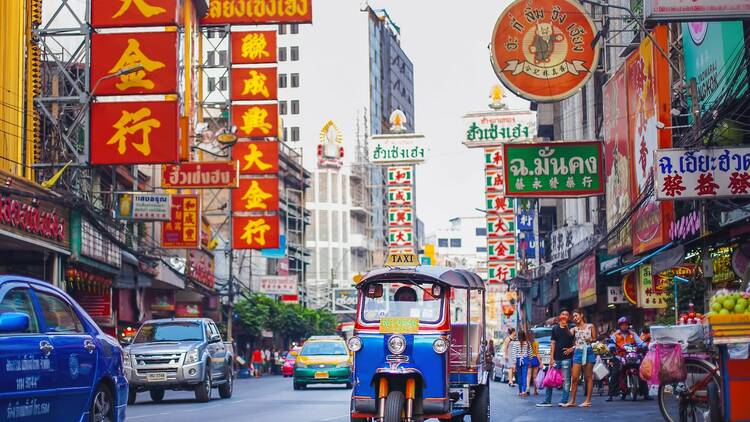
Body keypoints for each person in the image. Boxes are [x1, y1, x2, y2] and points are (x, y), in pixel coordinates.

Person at [537, 310, 574, 407]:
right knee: (550, 378)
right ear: (559, 316)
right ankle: (547, 400)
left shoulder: (571, 328)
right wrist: (551, 358)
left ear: (568, 317)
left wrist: (572, 348)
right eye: (563, 314)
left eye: (566, 315)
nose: (564, 316)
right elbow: (552, 343)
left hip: (567, 358)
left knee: (566, 380)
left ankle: (564, 400)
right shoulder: (555, 328)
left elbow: (576, 341)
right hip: (556, 357)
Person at [607, 317, 649, 401]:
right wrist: (611, 347)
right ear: (620, 326)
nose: (624, 326)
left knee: (642, 371)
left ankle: (645, 394)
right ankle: (611, 395)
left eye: (626, 325)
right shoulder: (615, 335)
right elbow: (610, 343)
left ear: (628, 326)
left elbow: (640, 342)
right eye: (622, 325)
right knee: (615, 372)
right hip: (620, 356)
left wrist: (644, 346)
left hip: (633, 355)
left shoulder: (633, 334)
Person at [564, 308, 597, 408]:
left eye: (576, 315)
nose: (575, 318)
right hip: (578, 352)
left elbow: (595, 338)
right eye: (573, 317)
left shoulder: (591, 326)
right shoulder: (574, 329)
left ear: (581, 315)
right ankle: (572, 400)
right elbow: (568, 335)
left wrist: (590, 339)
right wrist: (565, 325)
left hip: (589, 351)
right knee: (574, 378)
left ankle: (587, 401)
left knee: (588, 377)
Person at [512, 330, 532, 397]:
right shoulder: (528, 343)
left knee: (519, 376)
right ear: (524, 335)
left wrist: (514, 364)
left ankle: (520, 391)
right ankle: (524, 391)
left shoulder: (515, 343)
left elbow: (514, 354)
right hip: (525, 360)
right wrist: (530, 360)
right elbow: (530, 353)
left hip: (518, 360)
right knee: (524, 376)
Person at [528, 330, 542, 396]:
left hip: (529, 359)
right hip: (535, 359)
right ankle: (535, 391)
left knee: (528, 376)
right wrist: (541, 363)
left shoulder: (527, 343)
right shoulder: (536, 343)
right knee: (535, 376)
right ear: (533, 335)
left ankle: (527, 389)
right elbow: (537, 353)